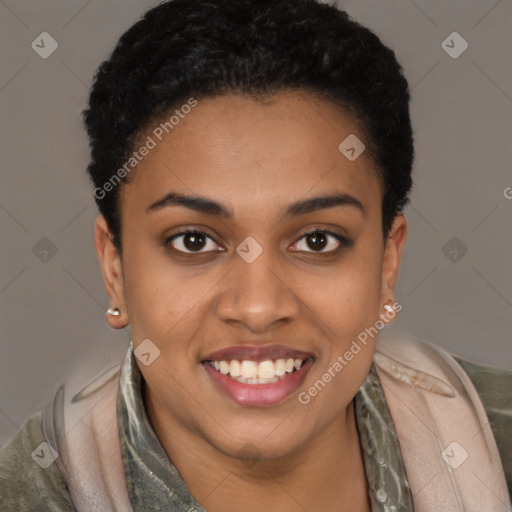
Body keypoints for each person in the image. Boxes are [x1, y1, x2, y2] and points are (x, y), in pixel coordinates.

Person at [0, 0, 510, 510]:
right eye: (193, 241)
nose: (259, 308)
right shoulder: (27, 493)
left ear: (386, 264)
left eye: (317, 240)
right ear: (116, 269)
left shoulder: (496, 448)